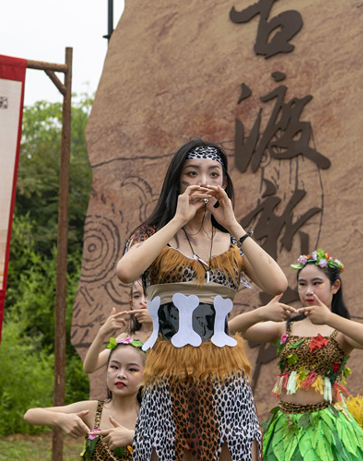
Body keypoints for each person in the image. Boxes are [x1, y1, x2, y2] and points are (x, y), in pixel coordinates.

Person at [115, 139, 288, 461]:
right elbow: (126, 272)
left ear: (224, 183)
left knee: (237, 449)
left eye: (213, 174)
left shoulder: (233, 241)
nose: (203, 183)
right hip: (167, 371)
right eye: (192, 173)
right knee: (164, 451)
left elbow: (277, 282)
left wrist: (233, 223)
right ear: (178, 181)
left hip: (225, 372)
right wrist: (178, 220)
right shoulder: (152, 235)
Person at [230, 249, 363, 461]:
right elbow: (229, 330)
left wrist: (329, 318)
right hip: (286, 427)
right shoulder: (286, 328)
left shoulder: (341, 331)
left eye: (317, 283)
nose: (308, 291)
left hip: (326, 427)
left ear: (335, 286)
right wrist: (260, 313)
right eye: (302, 284)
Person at [24, 340, 145, 461]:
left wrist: (134, 437)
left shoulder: (151, 415)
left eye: (132, 369)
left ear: (146, 375)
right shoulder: (93, 410)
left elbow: (163, 445)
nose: (121, 375)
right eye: (114, 367)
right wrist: (60, 419)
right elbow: (30, 414)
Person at [83, 280, 153, 374]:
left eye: (149, 295)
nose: (142, 301)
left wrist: (156, 318)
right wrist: (101, 333)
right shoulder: (125, 338)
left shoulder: (171, 335)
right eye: (137, 296)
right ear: (131, 304)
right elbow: (89, 367)